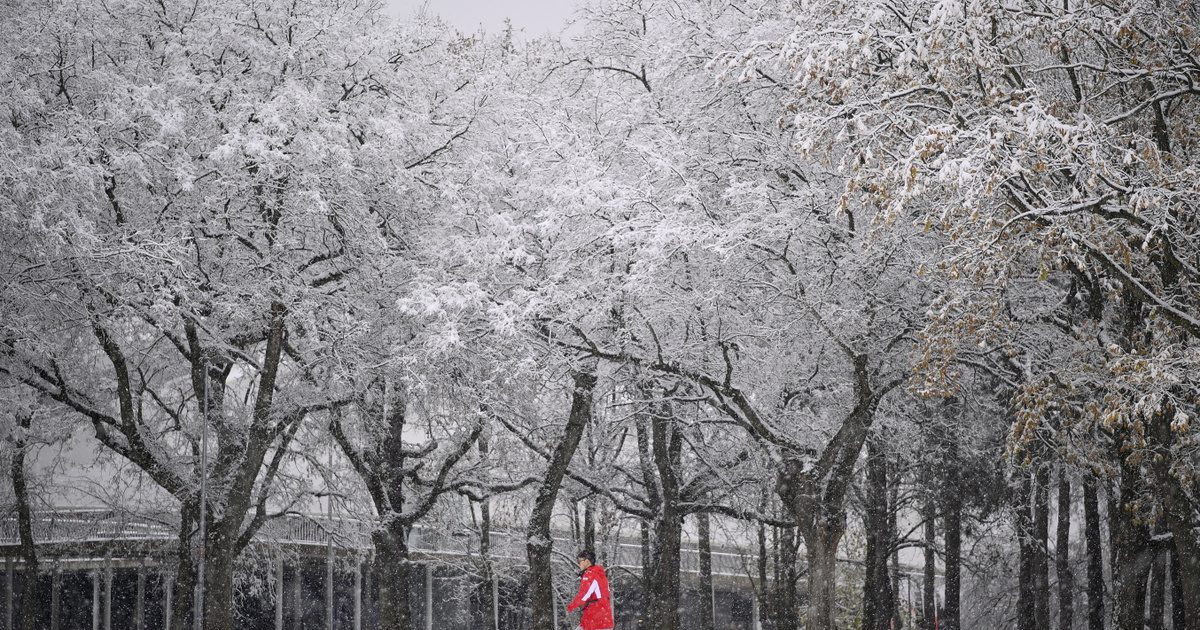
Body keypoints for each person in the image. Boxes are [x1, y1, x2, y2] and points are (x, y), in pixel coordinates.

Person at [567, 549, 614, 630]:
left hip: (595, 620)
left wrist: (571, 606)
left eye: (580, 561)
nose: (579, 564)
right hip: (604, 618)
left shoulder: (590, 574)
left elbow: (584, 595)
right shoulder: (601, 574)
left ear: (587, 561)